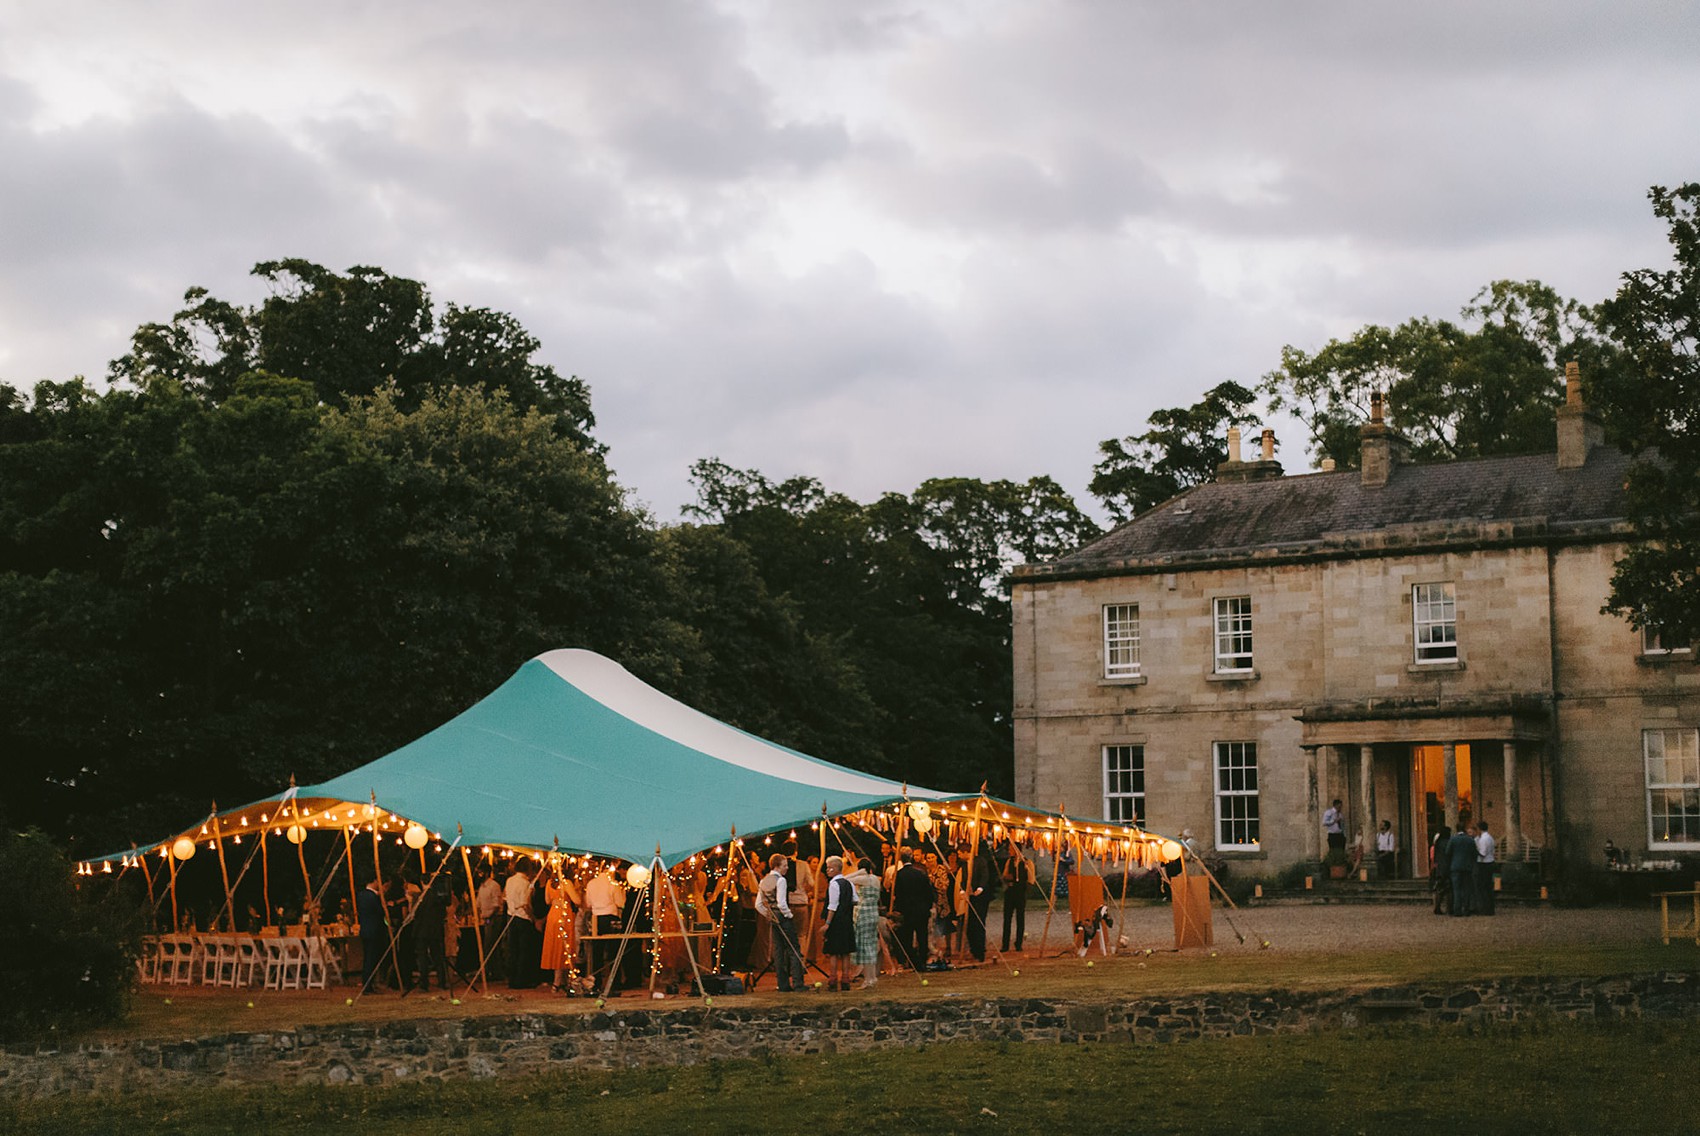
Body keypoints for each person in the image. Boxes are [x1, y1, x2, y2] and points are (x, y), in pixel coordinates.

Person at [756, 852, 805, 992]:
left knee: (778, 951)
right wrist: (788, 915)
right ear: (777, 866)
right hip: (783, 917)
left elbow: (758, 905)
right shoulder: (781, 880)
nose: (787, 868)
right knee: (793, 949)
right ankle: (798, 983)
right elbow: (782, 903)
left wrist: (769, 914)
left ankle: (783, 984)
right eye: (785, 865)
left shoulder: (763, 881)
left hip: (773, 918)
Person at [540, 867, 584, 992]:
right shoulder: (567, 883)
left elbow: (547, 900)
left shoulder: (549, 882)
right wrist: (578, 890)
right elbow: (577, 901)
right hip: (564, 915)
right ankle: (561, 980)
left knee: (555, 946)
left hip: (553, 914)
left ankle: (559, 980)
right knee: (565, 946)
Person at [891, 848, 935, 971]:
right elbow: (929, 892)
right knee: (922, 938)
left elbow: (898, 894)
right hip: (922, 910)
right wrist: (928, 906)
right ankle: (922, 962)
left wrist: (898, 909)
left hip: (908, 912)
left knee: (907, 939)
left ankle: (914, 962)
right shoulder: (921, 873)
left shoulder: (899, 875)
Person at [820, 855, 857, 990]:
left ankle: (833, 979)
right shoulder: (849, 883)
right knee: (846, 951)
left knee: (834, 951)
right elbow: (855, 900)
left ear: (836, 869)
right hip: (847, 920)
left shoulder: (834, 884)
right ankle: (845, 979)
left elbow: (832, 906)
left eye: (829, 868)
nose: (827, 870)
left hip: (836, 921)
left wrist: (827, 924)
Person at [585, 864, 624, 991]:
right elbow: (620, 903)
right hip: (611, 916)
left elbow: (588, 903)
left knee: (597, 951)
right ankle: (614, 982)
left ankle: (596, 982)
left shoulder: (591, 883)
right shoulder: (613, 884)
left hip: (596, 917)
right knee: (613, 950)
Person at [847, 856, 883, 988]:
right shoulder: (875, 879)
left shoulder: (864, 879)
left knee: (865, 946)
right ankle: (872, 977)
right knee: (871, 944)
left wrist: (858, 872)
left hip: (863, 913)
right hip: (874, 912)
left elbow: (845, 879)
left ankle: (868, 978)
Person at [504, 858, 540, 989]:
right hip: (523, 918)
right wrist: (534, 919)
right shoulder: (526, 884)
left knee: (513, 949)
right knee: (524, 950)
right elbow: (526, 904)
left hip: (511, 916)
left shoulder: (509, 881)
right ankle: (522, 979)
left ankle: (512, 978)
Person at [413, 873, 450, 993]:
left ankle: (424, 983)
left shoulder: (419, 897)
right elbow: (443, 913)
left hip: (422, 931)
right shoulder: (438, 897)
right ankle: (442, 981)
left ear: (421, 882)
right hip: (435, 930)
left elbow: (414, 914)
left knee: (422, 957)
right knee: (438, 956)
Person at [356, 874, 390, 993]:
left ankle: (368, 983)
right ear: (375, 881)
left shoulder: (360, 895)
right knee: (372, 958)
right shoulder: (373, 897)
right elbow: (381, 912)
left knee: (368, 958)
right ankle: (368, 985)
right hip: (374, 931)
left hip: (365, 930)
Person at [965, 844, 996, 962]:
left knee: (979, 923)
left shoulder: (980, 861)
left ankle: (980, 952)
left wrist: (979, 889)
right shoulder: (964, 864)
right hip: (970, 897)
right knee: (970, 926)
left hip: (980, 898)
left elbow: (984, 876)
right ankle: (973, 950)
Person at [1001, 848, 1034, 953]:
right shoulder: (1009, 861)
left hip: (1020, 892)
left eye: (1011, 849)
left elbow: (1031, 878)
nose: (1010, 851)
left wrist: (1025, 890)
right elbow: (1004, 875)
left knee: (1020, 918)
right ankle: (1005, 944)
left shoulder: (1027, 862)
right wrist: (1006, 878)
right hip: (1010, 892)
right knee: (1007, 918)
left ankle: (1018, 944)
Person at [1447, 822, 1479, 917]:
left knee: (1456, 889)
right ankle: (1466, 909)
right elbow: (1475, 853)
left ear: (1456, 829)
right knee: (1466, 889)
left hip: (1455, 867)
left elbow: (1448, 852)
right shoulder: (1469, 840)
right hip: (1467, 867)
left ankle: (1457, 910)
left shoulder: (1453, 839)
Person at [1474, 820, 1497, 916]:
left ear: (1479, 829)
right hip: (1490, 862)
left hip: (1484, 864)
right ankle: (1489, 908)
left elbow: (1482, 853)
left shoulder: (1484, 839)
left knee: (1483, 887)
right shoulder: (1490, 838)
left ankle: (1485, 909)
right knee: (1487, 887)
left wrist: (1474, 850)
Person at [1429, 825, 1453, 915]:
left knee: (1439, 889)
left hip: (1439, 868)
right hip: (1447, 867)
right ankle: (1449, 908)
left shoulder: (1438, 843)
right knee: (1448, 889)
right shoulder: (1447, 842)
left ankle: (1437, 907)